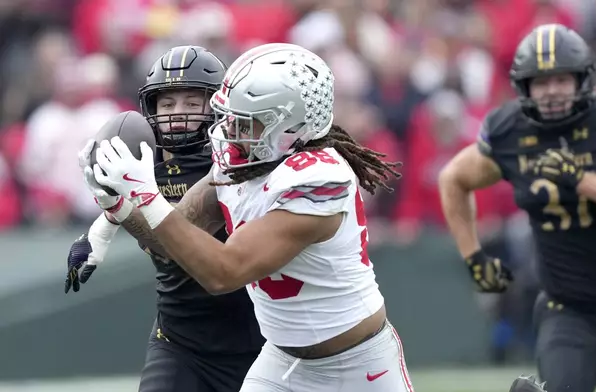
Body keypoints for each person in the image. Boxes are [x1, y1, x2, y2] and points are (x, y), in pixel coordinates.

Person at [80, 42, 414, 392]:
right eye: (227, 117)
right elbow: (171, 243)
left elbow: (225, 272)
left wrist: (146, 195)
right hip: (281, 363)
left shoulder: (318, 179)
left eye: (246, 122)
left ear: (288, 126)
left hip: (358, 366)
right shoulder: (241, 158)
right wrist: (119, 205)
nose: (229, 132)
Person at [438, 24, 596, 392]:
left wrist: (581, 180)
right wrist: (473, 256)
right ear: (524, 86)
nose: (551, 92)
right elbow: (453, 178)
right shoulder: (510, 130)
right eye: (540, 82)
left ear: (582, 80)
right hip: (571, 308)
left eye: (561, 80)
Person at [66, 45, 264, 392]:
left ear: (218, 105)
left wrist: (118, 206)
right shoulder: (142, 156)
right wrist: (104, 223)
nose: (177, 114)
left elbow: (174, 241)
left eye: (191, 102)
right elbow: (141, 213)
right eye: (168, 103)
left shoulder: (236, 163)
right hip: (179, 339)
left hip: (255, 342)